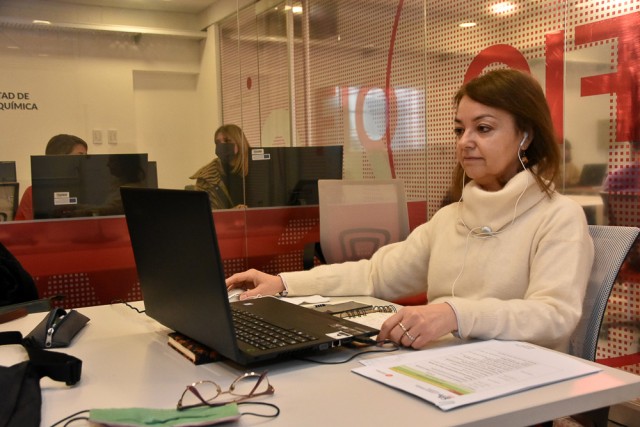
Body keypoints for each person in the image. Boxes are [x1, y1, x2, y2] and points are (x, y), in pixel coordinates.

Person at [226, 69, 594, 352]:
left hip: (521, 379)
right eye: (460, 130)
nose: (465, 142)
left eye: (483, 128)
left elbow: (554, 316)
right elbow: (376, 275)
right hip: (447, 369)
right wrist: (284, 283)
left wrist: (455, 313)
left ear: (526, 136)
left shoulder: (558, 217)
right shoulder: (451, 218)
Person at [14, 134, 88, 220]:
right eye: (80, 156)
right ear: (59, 159)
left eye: (86, 157)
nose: (85, 162)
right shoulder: (33, 193)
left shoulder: (87, 189)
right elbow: (28, 226)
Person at [190, 124, 251, 209]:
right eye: (218, 142)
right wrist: (233, 213)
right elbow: (203, 211)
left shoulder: (260, 168)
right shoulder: (206, 178)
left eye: (227, 141)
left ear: (240, 143)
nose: (222, 145)